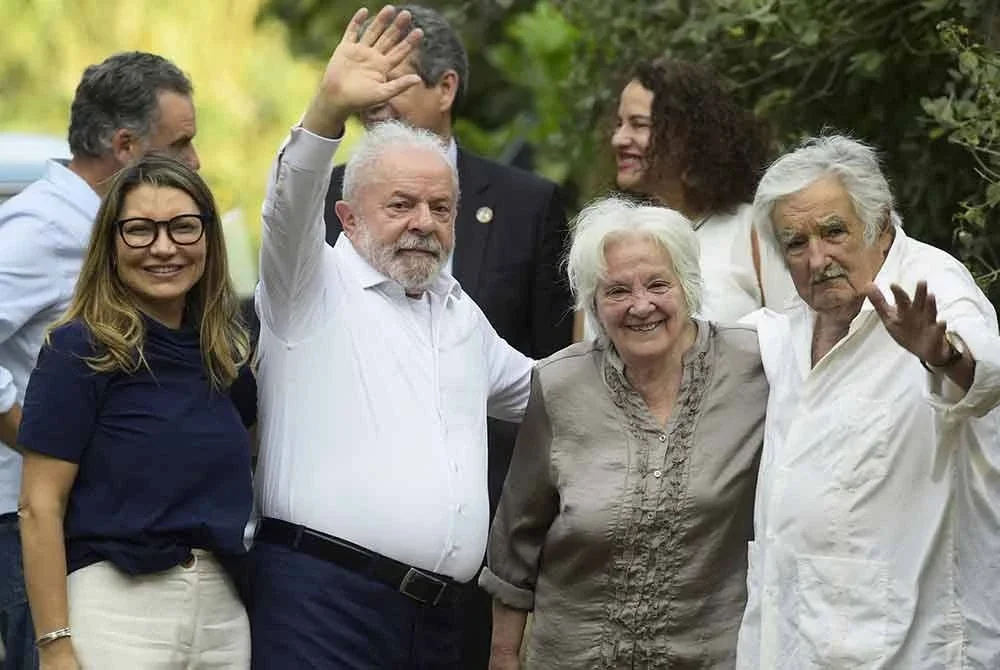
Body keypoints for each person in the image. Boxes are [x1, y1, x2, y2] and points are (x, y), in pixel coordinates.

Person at [247, 7, 533, 669]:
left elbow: (552, 391)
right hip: (321, 606)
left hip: (436, 623)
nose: (423, 224)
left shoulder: (459, 311)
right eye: (400, 204)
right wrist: (327, 110)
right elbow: (288, 204)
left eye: (440, 208)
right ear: (347, 215)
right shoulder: (307, 288)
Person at [314, 10, 574, 664]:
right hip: (346, 551)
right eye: (365, 90)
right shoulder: (331, 200)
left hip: (487, 534)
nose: (374, 105)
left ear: (446, 89)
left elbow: (551, 375)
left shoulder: (529, 203)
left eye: (391, 86)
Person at [735, 135, 1000, 669]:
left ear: (878, 223)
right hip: (793, 638)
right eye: (795, 243)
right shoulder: (791, 319)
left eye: (833, 232)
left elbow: (985, 372)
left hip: (912, 645)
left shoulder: (932, 284)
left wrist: (942, 354)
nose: (817, 259)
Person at [481, 197, 768, 669]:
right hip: (574, 656)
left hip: (712, 655)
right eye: (616, 291)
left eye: (658, 284)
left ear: (688, 285)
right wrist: (504, 654)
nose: (641, 306)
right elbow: (516, 540)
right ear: (592, 301)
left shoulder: (755, 367)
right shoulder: (558, 386)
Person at [0, 51, 200, 670]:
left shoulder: (111, 225)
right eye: (182, 142)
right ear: (123, 145)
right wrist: (38, 444)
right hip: (26, 522)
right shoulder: (44, 226)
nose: (194, 162)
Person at [16, 153, 253, 670]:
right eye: (140, 230)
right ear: (111, 244)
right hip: (115, 607)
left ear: (208, 239)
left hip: (222, 612)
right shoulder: (79, 350)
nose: (164, 247)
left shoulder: (223, 356)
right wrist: (55, 645)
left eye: (183, 228)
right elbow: (39, 506)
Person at [609, 57, 795, 325]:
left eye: (639, 124)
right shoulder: (609, 238)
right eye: (619, 124)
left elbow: (796, 340)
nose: (618, 139)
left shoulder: (755, 230)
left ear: (688, 135)